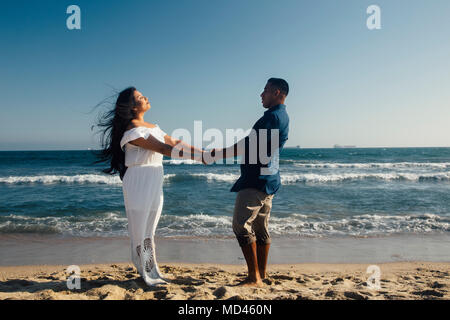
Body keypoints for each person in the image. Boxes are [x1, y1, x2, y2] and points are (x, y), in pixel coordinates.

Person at [95, 87, 205, 286]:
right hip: (139, 179)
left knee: (150, 228)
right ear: (133, 107)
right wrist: (199, 157)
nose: (146, 98)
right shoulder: (132, 131)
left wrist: (203, 152)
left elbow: (174, 141)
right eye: (140, 97)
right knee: (140, 229)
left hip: (154, 177)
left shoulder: (152, 126)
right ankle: (146, 272)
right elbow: (163, 148)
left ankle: (151, 269)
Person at [206, 78, 289, 287]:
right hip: (269, 179)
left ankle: (254, 278)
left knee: (241, 226)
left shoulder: (272, 117)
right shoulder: (282, 116)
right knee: (260, 229)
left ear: (277, 92)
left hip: (256, 180)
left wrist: (219, 154)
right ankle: (261, 274)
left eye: (266, 90)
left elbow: (248, 144)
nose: (262, 94)